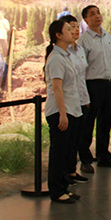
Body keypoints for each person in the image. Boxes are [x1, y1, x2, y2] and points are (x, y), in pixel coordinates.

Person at [43, 19, 83, 204]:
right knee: (58, 153)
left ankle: (64, 186)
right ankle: (56, 190)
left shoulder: (66, 55)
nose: (72, 31)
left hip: (71, 110)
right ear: (58, 35)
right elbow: (57, 88)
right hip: (61, 111)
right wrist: (62, 114)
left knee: (67, 151)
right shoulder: (56, 58)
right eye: (68, 29)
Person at [79, 5, 111, 170]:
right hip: (92, 84)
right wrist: (83, 91)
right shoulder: (84, 40)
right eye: (92, 14)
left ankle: (103, 156)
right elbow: (81, 67)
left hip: (108, 83)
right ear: (86, 20)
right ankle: (85, 159)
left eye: (98, 13)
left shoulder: (107, 36)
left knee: (105, 122)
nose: (97, 16)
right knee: (88, 123)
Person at [59, 15, 91, 183]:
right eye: (71, 27)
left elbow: (82, 76)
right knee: (66, 140)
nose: (75, 30)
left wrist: (86, 98)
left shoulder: (80, 50)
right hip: (69, 101)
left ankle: (72, 170)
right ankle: (63, 174)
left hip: (82, 100)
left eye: (77, 26)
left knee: (77, 137)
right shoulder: (61, 53)